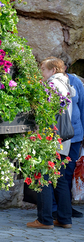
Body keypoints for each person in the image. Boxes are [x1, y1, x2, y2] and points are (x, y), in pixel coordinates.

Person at [27, 56, 76, 229]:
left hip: (50, 138)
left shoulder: (53, 85)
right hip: (63, 140)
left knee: (44, 177)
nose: (42, 73)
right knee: (61, 179)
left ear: (53, 70)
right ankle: (64, 219)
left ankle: (44, 219)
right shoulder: (67, 85)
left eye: (43, 69)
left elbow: (44, 110)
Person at [51, 53, 84, 218]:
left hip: (75, 135)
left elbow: (83, 107)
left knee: (68, 172)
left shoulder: (76, 82)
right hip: (57, 135)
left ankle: (65, 208)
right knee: (57, 171)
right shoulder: (50, 82)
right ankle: (56, 208)